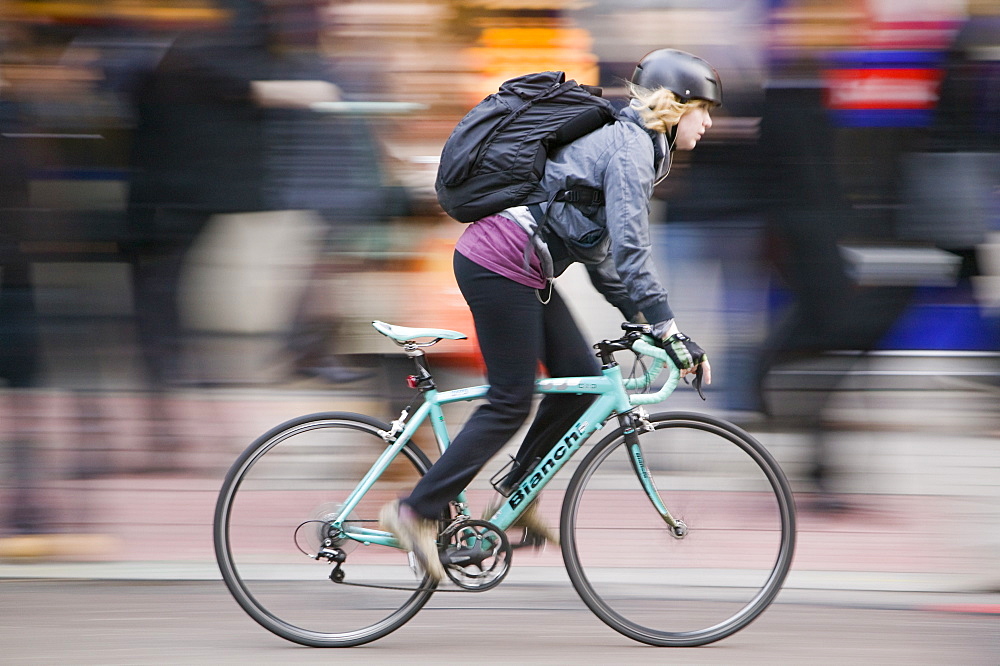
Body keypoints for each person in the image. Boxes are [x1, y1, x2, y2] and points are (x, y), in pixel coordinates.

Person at [381, 49, 719, 581]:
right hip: (499, 263)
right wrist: (669, 329)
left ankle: (518, 494)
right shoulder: (631, 146)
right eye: (704, 109)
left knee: (584, 385)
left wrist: (650, 324)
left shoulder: (634, 145)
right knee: (509, 400)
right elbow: (631, 251)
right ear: (675, 105)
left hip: (523, 268)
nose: (708, 123)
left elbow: (602, 259)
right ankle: (415, 510)